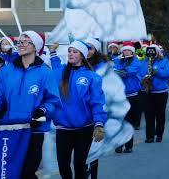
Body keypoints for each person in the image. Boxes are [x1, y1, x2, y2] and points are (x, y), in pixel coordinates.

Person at [0, 30, 61, 179]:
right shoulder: (7, 71)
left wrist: (41, 111)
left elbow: (53, 101)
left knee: (27, 173)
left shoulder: (45, 73)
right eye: (20, 42)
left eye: (26, 42)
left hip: (34, 131)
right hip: (11, 130)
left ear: (35, 46)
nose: (21, 44)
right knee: (13, 173)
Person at [50, 40, 107, 179]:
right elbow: (55, 65)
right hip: (63, 128)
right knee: (63, 165)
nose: (70, 54)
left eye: (74, 51)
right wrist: (52, 52)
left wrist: (99, 124)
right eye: (69, 51)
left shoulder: (92, 77)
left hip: (84, 128)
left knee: (79, 165)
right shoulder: (60, 73)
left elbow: (97, 102)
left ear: (82, 55)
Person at [85, 38, 130, 179]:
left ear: (96, 50)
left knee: (93, 145)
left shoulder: (103, 66)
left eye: (90, 48)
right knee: (82, 145)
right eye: (85, 48)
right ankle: (84, 167)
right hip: (82, 108)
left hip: (98, 107)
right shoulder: (79, 63)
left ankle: (93, 174)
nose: (87, 51)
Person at [113, 41, 141, 153]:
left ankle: (129, 146)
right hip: (120, 96)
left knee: (129, 122)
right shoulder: (119, 61)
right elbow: (114, 70)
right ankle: (119, 144)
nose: (126, 52)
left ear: (132, 51)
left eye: (128, 50)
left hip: (132, 96)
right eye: (124, 50)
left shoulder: (136, 62)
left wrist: (117, 71)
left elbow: (127, 72)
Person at [141, 44, 169, 143]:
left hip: (160, 92)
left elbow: (168, 73)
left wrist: (157, 71)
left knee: (160, 115)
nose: (151, 54)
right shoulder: (144, 62)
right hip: (148, 92)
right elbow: (140, 74)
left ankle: (159, 134)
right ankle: (149, 136)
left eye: (153, 51)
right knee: (148, 114)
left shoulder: (164, 61)